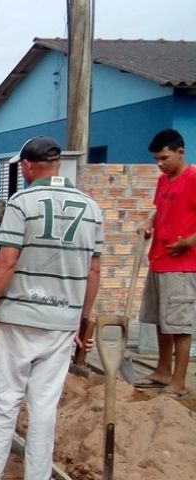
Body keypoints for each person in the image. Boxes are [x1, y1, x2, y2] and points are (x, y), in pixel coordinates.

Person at [0, 136, 102, 480]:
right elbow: (94, 270)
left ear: (28, 166)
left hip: (19, 321)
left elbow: (6, 262)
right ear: (57, 165)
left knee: (3, 401)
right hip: (62, 324)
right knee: (44, 408)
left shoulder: (21, 203)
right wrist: (82, 323)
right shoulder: (91, 208)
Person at [134, 129, 195, 398]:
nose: (160, 163)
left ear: (180, 152)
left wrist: (189, 242)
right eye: (157, 159)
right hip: (159, 260)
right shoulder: (164, 181)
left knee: (180, 324)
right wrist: (149, 223)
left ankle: (179, 382)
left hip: (182, 265)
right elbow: (161, 211)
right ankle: (162, 370)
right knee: (161, 321)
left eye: (164, 158)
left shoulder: (193, 178)